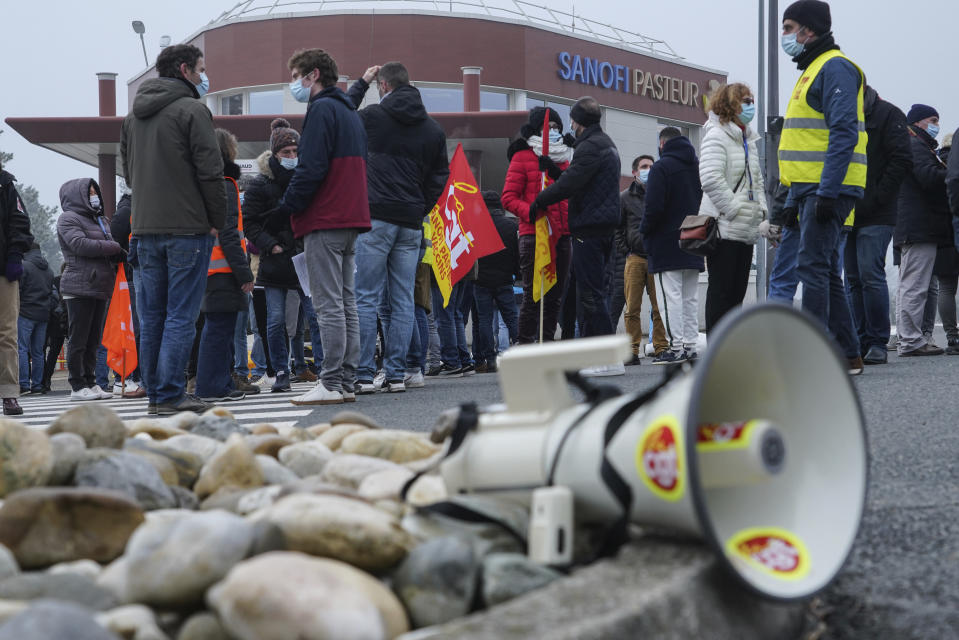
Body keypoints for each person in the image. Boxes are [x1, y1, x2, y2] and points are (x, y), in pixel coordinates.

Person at [121, 44, 226, 415]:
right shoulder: (194, 111)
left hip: (145, 228)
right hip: (187, 228)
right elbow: (211, 173)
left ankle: (155, 394)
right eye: (201, 69)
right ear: (185, 70)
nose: (203, 76)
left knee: (152, 317)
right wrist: (219, 220)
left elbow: (128, 171)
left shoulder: (133, 118)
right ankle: (169, 394)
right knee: (181, 315)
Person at [346, 62, 449, 394]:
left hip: (375, 217)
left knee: (365, 296)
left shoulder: (373, 117)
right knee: (403, 299)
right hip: (411, 222)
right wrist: (421, 207)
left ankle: (362, 374)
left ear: (384, 85)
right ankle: (395, 374)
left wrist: (361, 84)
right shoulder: (433, 130)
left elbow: (340, 115)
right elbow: (439, 178)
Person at [277, 48, 371, 406]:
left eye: (297, 75)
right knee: (346, 301)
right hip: (350, 218)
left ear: (312, 75)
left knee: (328, 304)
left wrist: (288, 208)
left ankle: (331, 381)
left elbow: (312, 168)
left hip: (325, 217)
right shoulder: (348, 112)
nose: (295, 83)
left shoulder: (320, 110)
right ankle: (346, 379)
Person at [778, 0, 866, 374]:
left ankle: (811, 357)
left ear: (808, 31)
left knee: (811, 266)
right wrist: (790, 197)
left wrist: (827, 191)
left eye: (788, 27)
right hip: (810, 189)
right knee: (825, 269)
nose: (785, 36)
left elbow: (843, 132)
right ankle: (848, 355)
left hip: (827, 188)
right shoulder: (813, 69)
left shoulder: (835, 68)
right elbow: (805, 143)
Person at [532, 97, 623, 376]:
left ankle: (608, 359)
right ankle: (601, 356)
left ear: (579, 121)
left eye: (572, 119)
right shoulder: (606, 143)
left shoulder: (590, 147)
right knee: (597, 292)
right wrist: (554, 170)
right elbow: (581, 179)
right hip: (604, 228)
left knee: (591, 295)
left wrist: (540, 200)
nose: (570, 124)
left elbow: (571, 184)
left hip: (589, 229)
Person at [243, 118, 321, 392]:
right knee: (274, 321)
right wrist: (270, 245)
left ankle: (323, 370)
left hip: (305, 258)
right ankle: (280, 371)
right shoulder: (259, 184)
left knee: (317, 316)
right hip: (275, 262)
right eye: (286, 152)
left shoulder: (307, 179)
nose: (292, 157)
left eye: (295, 152)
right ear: (275, 154)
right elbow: (249, 223)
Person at [844, 87, 911, 365]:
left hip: (877, 212)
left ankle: (876, 341)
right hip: (846, 209)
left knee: (870, 273)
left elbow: (901, 160)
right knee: (852, 279)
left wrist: (879, 196)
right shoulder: (844, 113)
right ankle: (857, 340)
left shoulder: (889, 114)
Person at [699, 83, 768, 332]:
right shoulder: (716, 135)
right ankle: (718, 351)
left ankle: (730, 349)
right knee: (721, 292)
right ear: (730, 105)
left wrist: (762, 213)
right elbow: (710, 178)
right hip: (725, 227)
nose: (751, 106)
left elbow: (757, 180)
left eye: (752, 100)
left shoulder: (748, 139)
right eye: (745, 101)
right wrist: (734, 210)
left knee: (736, 295)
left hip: (746, 228)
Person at [502, 107, 573, 345]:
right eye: (548, 127)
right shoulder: (523, 156)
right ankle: (525, 344)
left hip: (562, 236)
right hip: (534, 235)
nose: (553, 132)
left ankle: (547, 344)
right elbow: (508, 197)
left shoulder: (566, 158)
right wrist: (530, 211)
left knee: (555, 297)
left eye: (556, 128)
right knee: (534, 296)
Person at [195, 129, 256, 402]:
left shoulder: (203, 182)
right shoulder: (226, 183)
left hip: (208, 267)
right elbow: (229, 232)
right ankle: (212, 386)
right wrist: (244, 273)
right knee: (219, 330)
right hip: (225, 269)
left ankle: (219, 382)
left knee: (216, 328)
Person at [641, 127, 705, 364]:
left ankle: (675, 347)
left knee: (670, 298)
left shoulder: (662, 167)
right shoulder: (696, 166)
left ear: (662, 143)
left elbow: (654, 208)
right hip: (694, 239)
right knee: (690, 297)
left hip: (666, 242)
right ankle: (689, 346)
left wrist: (644, 231)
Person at [56, 178, 124, 401]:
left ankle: (91, 382)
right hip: (79, 286)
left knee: (94, 339)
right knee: (79, 338)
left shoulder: (100, 220)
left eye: (95, 192)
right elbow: (80, 244)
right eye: (90, 193)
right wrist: (114, 247)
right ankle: (77, 385)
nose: (94, 196)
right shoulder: (68, 219)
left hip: (100, 285)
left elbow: (106, 244)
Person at [894, 104, 951, 357]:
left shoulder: (916, 144)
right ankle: (911, 340)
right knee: (915, 285)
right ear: (918, 122)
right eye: (932, 119)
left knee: (912, 284)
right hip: (920, 226)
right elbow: (928, 177)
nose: (936, 124)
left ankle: (908, 338)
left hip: (915, 225)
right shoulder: (916, 146)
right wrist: (949, 173)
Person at [620, 155, 668, 364]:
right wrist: (626, 251)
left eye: (651, 166)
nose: (648, 169)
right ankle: (631, 351)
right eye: (644, 166)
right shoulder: (624, 198)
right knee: (632, 308)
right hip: (635, 259)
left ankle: (660, 347)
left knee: (659, 307)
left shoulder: (662, 195)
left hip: (658, 258)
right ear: (635, 172)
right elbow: (617, 228)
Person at [472, 191, 520, 372]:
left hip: (481, 280)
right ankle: (519, 353)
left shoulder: (476, 226)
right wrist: (516, 274)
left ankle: (490, 360)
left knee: (484, 320)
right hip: (505, 279)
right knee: (511, 317)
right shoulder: (510, 225)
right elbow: (517, 254)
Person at [0, 163, 33, 415]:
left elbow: (19, 221)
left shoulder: (4, 182)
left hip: (3, 269)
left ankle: (9, 393)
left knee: (7, 333)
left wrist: (14, 255)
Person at [108, 179, 146, 397]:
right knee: (133, 330)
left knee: (138, 329)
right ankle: (125, 376)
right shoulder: (126, 211)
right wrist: (128, 257)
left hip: (135, 275)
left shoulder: (132, 208)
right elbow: (114, 244)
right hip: (129, 277)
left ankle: (134, 375)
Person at [17, 242, 55, 394]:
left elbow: (18, 290)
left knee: (22, 349)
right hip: (43, 315)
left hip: (25, 313)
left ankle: (24, 384)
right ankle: (37, 385)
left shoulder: (24, 266)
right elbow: (53, 294)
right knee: (38, 352)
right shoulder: (49, 270)